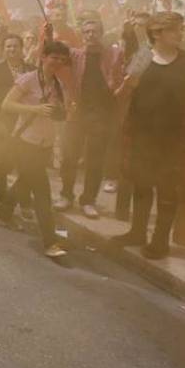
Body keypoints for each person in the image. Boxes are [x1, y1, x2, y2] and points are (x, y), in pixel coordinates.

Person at [115, 12, 185, 258]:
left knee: (168, 189)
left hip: (176, 138)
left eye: (181, 29)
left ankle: (160, 241)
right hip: (141, 136)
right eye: (175, 30)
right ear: (156, 33)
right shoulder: (142, 58)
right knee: (142, 185)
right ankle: (137, 231)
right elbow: (122, 96)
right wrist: (128, 85)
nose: (181, 34)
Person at [0, 40, 71, 259]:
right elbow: (6, 105)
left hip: (45, 144)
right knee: (42, 191)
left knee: (25, 182)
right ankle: (50, 242)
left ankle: (4, 212)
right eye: (53, 58)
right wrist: (35, 109)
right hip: (25, 142)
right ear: (43, 57)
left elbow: (60, 117)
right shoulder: (27, 80)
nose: (57, 63)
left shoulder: (59, 86)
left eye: (61, 59)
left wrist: (60, 116)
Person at [57, 18, 123, 218]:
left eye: (94, 31)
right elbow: (51, 59)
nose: (90, 35)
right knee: (69, 157)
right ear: (82, 35)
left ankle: (88, 200)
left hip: (101, 115)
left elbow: (121, 77)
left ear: (101, 33)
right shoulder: (74, 55)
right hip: (76, 112)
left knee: (95, 160)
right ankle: (66, 194)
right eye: (86, 32)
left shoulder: (113, 54)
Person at [0, 34, 31, 207]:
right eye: (8, 46)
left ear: (21, 48)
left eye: (15, 46)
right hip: (3, 122)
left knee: (25, 162)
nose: (12, 50)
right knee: (1, 162)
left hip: (27, 122)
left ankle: (22, 198)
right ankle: (1, 196)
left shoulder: (31, 70)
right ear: (3, 50)